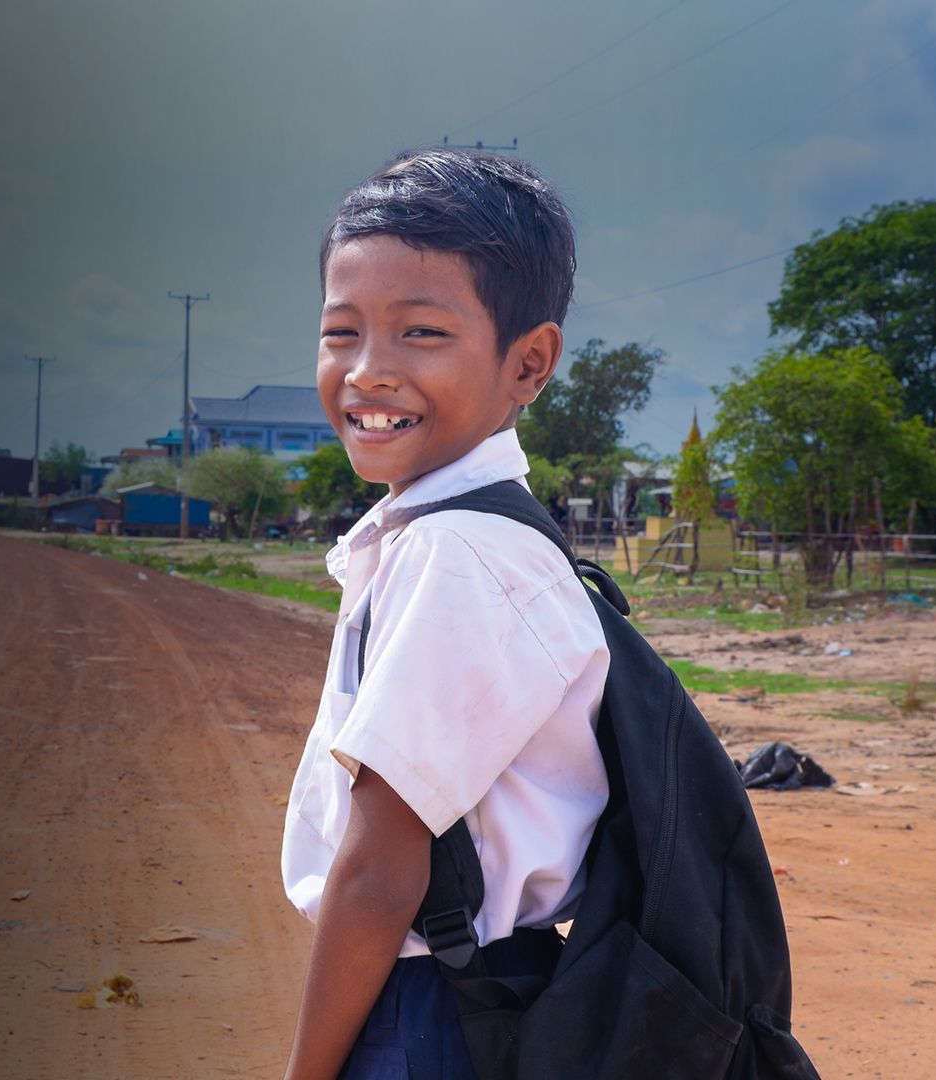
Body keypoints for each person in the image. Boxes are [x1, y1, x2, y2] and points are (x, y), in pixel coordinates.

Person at [280, 147, 610, 1080]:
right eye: (341, 332)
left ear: (528, 362)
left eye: (421, 333)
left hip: (432, 1015)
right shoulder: (475, 537)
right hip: (479, 995)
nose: (368, 373)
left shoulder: (456, 554)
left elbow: (382, 874)